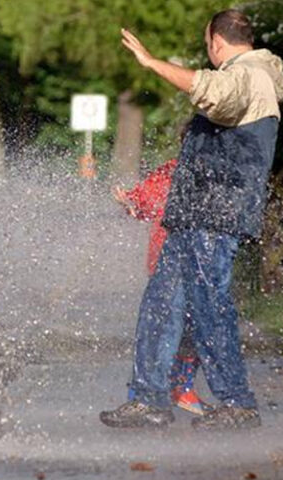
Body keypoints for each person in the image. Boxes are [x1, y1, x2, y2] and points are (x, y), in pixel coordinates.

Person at [101, 10, 283, 430]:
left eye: (207, 46)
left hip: (214, 215)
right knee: (161, 303)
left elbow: (212, 91)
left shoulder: (251, 74)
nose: (208, 52)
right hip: (193, 214)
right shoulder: (250, 73)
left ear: (217, 43)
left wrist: (152, 63)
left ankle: (237, 402)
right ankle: (149, 398)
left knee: (209, 305)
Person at [113, 157, 207, 416]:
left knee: (191, 330)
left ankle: (178, 388)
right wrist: (130, 200)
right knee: (164, 328)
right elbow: (145, 201)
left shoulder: (213, 169)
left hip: (199, 265)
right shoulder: (174, 169)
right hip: (168, 263)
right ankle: (148, 394)